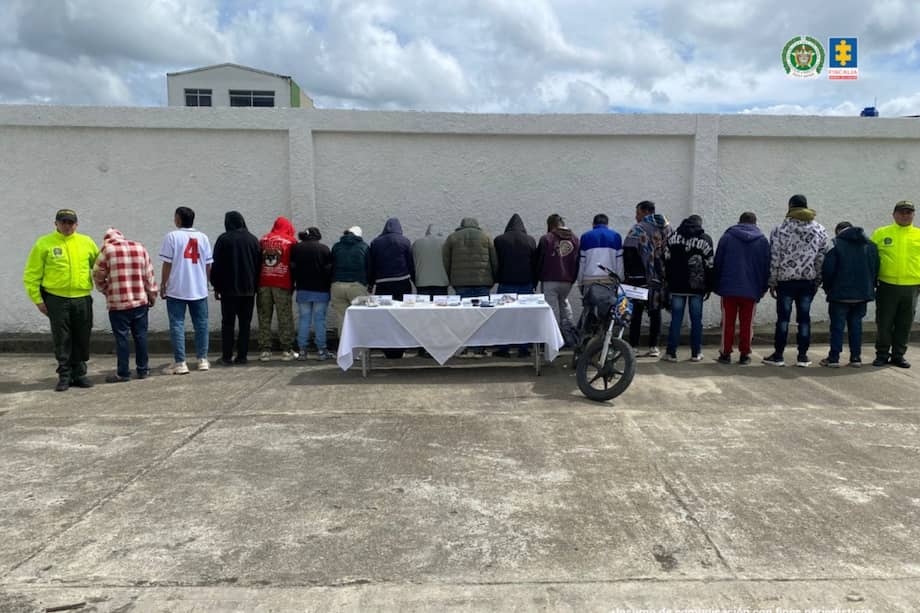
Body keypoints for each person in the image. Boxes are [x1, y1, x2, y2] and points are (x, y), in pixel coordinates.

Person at [23, 209, 99, 391]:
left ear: (76, 224)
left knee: (82, 336)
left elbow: (99, 266)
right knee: (62, 338)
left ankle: (79, 374)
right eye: (63, 222)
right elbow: (31, 275)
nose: (67, 226)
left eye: (70, 222)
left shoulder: (86, 242)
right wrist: (38, 300)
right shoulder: (44, 244)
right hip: (57, 299)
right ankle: (64, 376)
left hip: (82, 298)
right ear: (55, 224)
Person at [762, 194, 828, 367]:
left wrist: (772, 281)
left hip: (785, 281)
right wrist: (817, 280)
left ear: (790, 207)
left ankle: (778, 355)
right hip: (807, 281)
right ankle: (803, 356)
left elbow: (775, 257)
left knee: (783, 319)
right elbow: (821, 258)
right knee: (804, 319)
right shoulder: (819, 229)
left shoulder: (780, 229)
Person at [93, 228, 158, 382]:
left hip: (118, 304)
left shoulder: (106, 250)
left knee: (122, 339)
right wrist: (152, 295)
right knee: (141, 336)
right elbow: (149, 274)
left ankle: (123, 373)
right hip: (140, 301)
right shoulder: (140, 247)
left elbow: (97, 274)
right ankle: (143, 370)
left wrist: (106, 290)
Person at [160, 206, 213, 374]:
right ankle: (202, 359)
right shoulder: (203, 237)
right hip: (198, 288)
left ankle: (181, 362)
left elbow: (167, 263)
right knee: (202, 324)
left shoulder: (172, 237)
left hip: (177, 288)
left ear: (178, 219)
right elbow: (208, 264)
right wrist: (208, 283)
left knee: (177, 324)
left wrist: (163, 283)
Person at [713, 212, 771, 365]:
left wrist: (716, 284)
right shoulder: (763, 241)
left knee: (728, 323)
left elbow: (718, 261)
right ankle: (744, 354)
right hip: (751, 289)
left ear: (739, 221)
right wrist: (764, 287)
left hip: (729, 288)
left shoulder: (727, 237)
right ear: (755, 223)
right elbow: (766, 267)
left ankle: (725, 353)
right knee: (747, 323)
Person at [820, 221, 879, 368]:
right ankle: (856, 358)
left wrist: (828, 288)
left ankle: (834, 358)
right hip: (862, 294)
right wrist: (869, 287)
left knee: (837, 327)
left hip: (840, 294)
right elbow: (875, 268)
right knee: (856, 325)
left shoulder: (836, 244)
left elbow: (828, 270)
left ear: (838, 231)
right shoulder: (870, 245)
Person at [870, 200, 920, 368]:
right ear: (894, 214)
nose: (905, 215)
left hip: (912, 287)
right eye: (901, 212)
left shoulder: (918, 235)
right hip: (887, 285)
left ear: (913, 214)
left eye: (908, 212)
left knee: (904, 324)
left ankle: (898, 355)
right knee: (884, 322)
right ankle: (882, 354)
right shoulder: (881, 233)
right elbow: (871, 259)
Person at [210, 211, 261, 366]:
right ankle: (242, 356)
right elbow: (259, 266)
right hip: (248, 290)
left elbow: (216, 265)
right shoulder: (253, 240)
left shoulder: (223, 239)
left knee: (228, 323)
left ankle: (226, 356)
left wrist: (215, 286)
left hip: (228, 290)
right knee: (245, 323)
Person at [661, 215, 714, 362]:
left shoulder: (672, 238)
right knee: (696, 320)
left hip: (677, 285)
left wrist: (669, 281)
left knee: (676, 319)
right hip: (697, 286)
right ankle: (696, 353)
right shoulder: (705, 239)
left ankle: (671, 353)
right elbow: (710, 264)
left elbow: (665, 259)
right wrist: (709, 286)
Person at [623, 201, 670, 357]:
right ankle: (654, 347)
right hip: (659, 277)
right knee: (655, 312)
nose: (636, 216)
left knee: (636, 311)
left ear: (644, 212)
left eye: (637, 212)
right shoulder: (668, 228)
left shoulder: (637, 229)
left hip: (639, 278)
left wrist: (628, 277)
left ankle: (634, 346)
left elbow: (629, 253)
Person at [369, 217, 416, 359]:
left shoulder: (375, 242)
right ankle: (401, 348)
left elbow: (371, 265)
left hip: (383, 284)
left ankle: (387, 348)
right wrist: (415, 281)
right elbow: (410, 263)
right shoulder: (405, 241)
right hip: (402, 283)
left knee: (385, 316)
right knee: (403, 316)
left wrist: (371, 284)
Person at [493, 213, 537, 358]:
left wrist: (496, 278)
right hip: (526, 284)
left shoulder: (499, 240)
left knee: (504, 317)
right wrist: (534, 283)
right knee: (524, 316)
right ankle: (524, 348)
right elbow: (534, 264)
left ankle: (503, 348)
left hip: (506, 284)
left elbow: (495, 263)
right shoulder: (530, 240)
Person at [290, 226, 333, 361]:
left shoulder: (296, 249)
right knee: (320, 320)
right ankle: (321, 350)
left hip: (303, 289)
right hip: (321, 290)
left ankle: (302, 351)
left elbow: (292, 268)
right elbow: (329, 270)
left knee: (304, 319)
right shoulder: (324, 249)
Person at [257, 216, 297, 361]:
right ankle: (287, 350)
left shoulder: (263, 240)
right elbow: (294, 263)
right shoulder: (290, 241)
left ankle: (265, 350)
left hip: (263, 283)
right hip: (282, 283)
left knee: (264, 316)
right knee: (284, 316)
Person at [536, 214, 579, 338]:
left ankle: (553, 339)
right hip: (567, 281)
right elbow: (578, 261)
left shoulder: (546, 239)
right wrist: (572, 279)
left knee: (551, 310)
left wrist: (538, 276)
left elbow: (540, 260)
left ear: (550, 225)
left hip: (550, 279)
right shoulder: (575, 239)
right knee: (564, 306)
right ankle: (570, 337)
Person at [443, 217, 498, 298]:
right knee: (483, 309)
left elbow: (446, 260)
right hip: (482, 282)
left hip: (460, 283)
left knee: (463, 310)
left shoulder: (452, 237)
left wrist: (450, 278)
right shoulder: (486, 237)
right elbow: (494, 260)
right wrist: (494, 278)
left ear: (462, 225)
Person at [330, 226, 370, 334]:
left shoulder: (336, 247)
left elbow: (331, 265)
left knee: (342, 319)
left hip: (337, 285)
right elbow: (369, 267)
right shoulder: (364, 247)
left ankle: (344, 349)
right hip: (357, 285)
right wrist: (369, 284)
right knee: (360, 318)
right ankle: (361, 349)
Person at [578, 213, 623, 291]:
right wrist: (620, 279)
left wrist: (580, 282)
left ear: (593, 224)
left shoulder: (585, 236)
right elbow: (619, 262)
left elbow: (582, 262)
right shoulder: (616, 236)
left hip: (589, 280)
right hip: (609, 280)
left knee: (589, 303)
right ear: (607, 224)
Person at [412, 224, 450, 298]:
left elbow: (412, 262)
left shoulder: (417, 243)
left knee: (424, 308)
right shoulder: (445, 243)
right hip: (441, 283)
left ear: (427, 231)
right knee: (440, 308)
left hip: (422, 283)